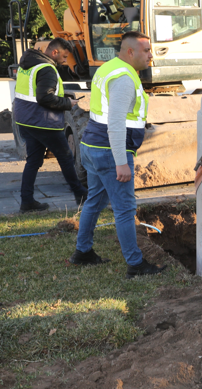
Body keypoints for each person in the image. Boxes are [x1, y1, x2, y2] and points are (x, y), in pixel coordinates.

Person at [69, 31, 166, 278]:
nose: (151, 55)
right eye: (146, 50)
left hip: (92, 146)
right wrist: (121, 162)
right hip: (109, 152)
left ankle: (83, 252)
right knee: (124, 209)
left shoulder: (109, 68)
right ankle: (136, 265)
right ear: (130, 52)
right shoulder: (124, 79)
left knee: (95, 200)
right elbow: (115, 122)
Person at [13, 37, 89, 212]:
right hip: (43, 122)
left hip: (25, 120)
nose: (65, 60)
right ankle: (80, 194)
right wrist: (67, 104)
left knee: (33, 161)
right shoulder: (47, 69)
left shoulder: (29, 64)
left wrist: (63, 98)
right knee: (66, 157)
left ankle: (27, 201)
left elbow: (34, 92)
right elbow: (45, 97)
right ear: (54, 52)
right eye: (63, 56)